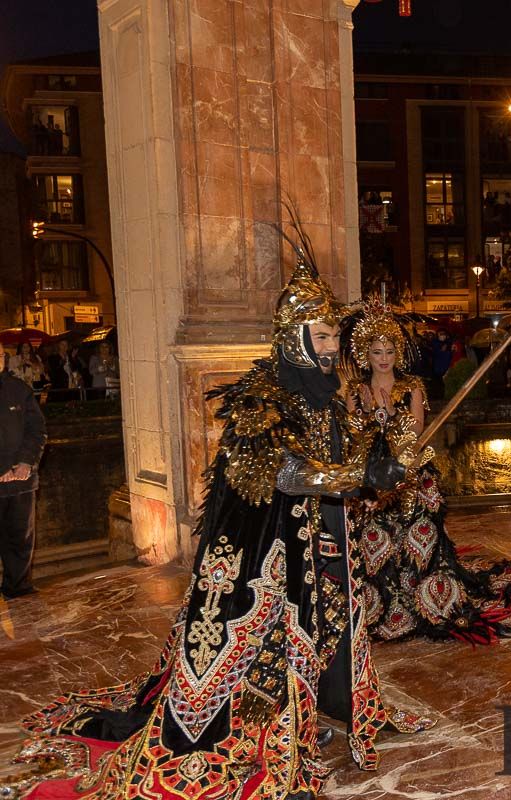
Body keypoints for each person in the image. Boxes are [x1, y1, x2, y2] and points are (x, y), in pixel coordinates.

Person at [6, 243, 431, 799]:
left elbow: (350, 455)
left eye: (333, 337)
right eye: (321, 337)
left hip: (323, 539)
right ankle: (269, 727)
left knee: (327, 630)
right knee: (268, 640)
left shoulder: (331, 398)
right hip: (264, 557)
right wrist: (352, 476)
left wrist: (389, 463)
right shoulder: (262, 396)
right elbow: (287, 472)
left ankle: (315, 713)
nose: (331, 349)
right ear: (295, 339)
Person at [342, 295, 511, 644]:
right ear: (365, 355)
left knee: (418, 531)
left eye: (389, 352)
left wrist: (388, 414)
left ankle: (422, 595)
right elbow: (350, 432)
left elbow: (417, 428)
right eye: (376, 353)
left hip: (409, 468)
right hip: (371, 472)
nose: (383, 360)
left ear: (398, 353)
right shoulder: (355, 390)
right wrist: (365, 414)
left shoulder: (411, 386)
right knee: (373, 533)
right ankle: (376, 599)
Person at [0, 354, 46, 599]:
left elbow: (37, 429)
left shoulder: (19, 390)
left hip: (20, 483)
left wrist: (26, 462)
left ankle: (18, 590)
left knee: (20, 540)